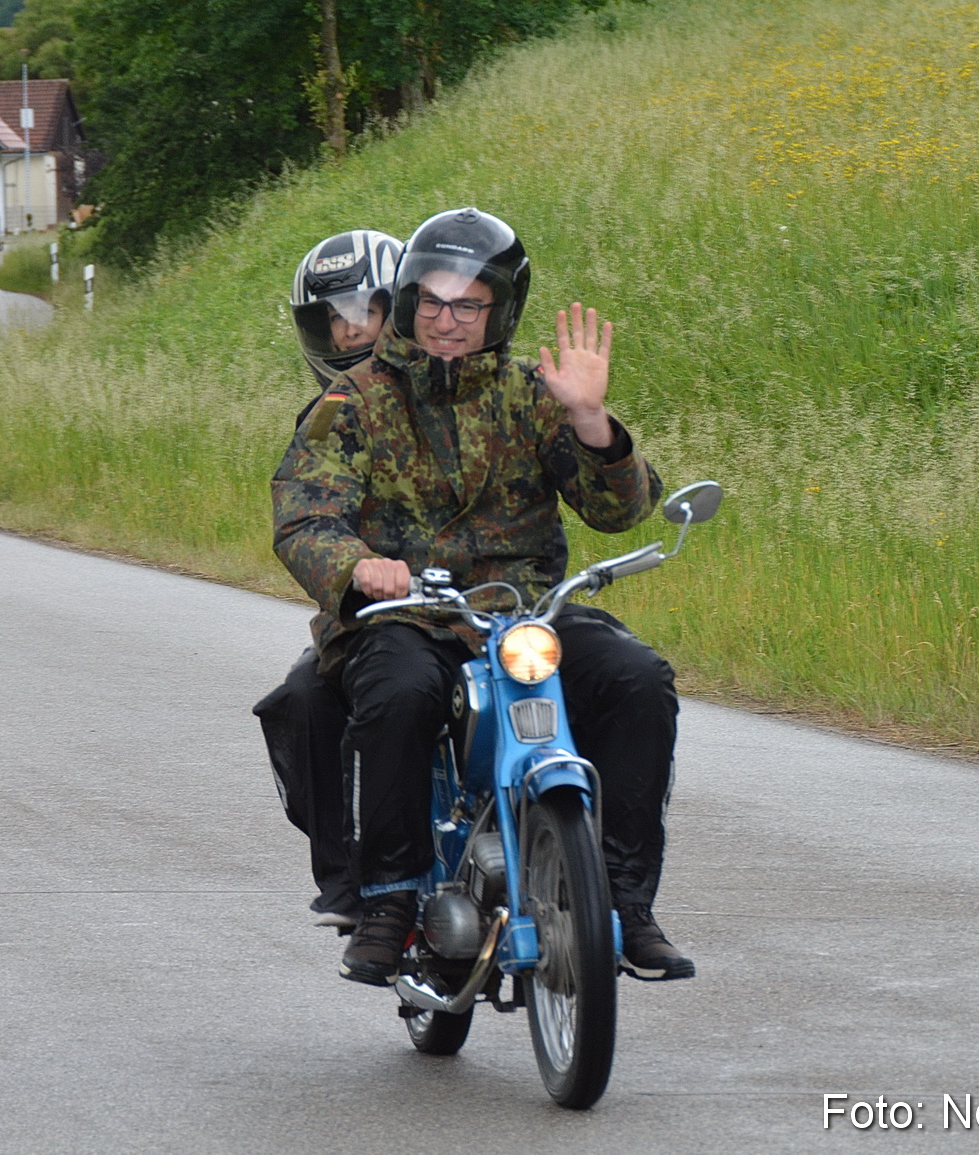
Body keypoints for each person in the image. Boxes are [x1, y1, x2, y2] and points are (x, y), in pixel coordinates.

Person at [271, 207, 695, 986]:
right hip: (407, 616)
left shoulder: (532, 396)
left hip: (526, 612)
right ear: (406, 301)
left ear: (500, 309)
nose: (447, 319)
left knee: (639, 678)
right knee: (396, 690)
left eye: (469, 303)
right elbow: (304, 514)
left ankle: (625, 903)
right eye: (432, 299)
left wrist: (591, 419)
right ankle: (392, 899)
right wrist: (360, 565)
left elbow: (617, 508)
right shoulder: (353, 402)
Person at [255, 229, 403, 929]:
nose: (349, 330)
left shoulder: (464, 387)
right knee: (303, 700)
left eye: (364, 311)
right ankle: (352, 880)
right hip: (380, 615)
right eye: (334, 317)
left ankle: (601, 875)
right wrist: (354, 570)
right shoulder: (332, 417)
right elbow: (305, 515)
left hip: (490, 607)